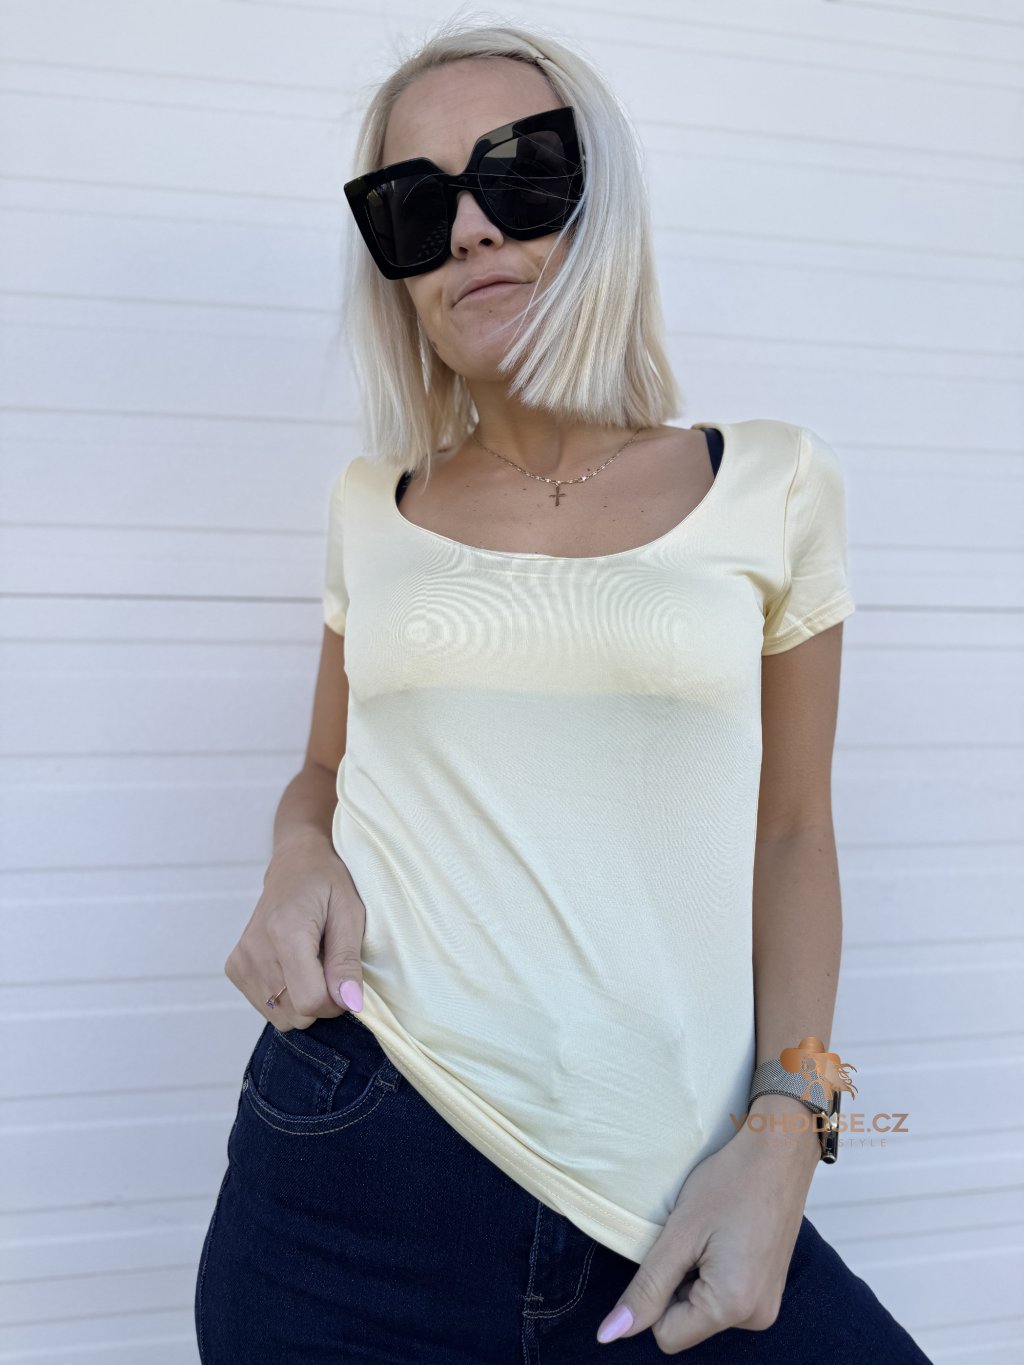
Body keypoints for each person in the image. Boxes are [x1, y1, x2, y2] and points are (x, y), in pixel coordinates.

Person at [194, 19, 934, 1364]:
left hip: (664, 1200)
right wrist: (296, 856)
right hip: (352, 1163)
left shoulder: (773, 481)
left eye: (519, 174)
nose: (472, 230)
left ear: (604, 204)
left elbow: (793, 832)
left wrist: (791, 1133)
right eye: (415, 205)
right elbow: (324, 769)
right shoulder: (373, 503)